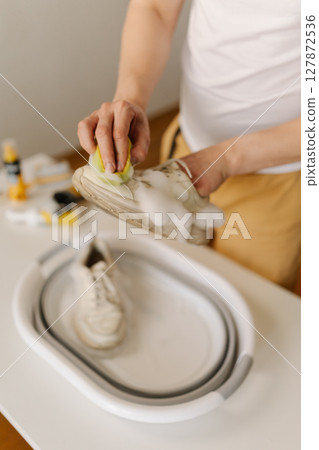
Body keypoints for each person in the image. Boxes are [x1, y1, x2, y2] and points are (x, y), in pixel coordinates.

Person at [77, 0, 301, 290]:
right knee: (172, 279)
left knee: (249, 302)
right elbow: (155, 8)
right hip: (187, 150)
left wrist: (229, 158)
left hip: (278, 179)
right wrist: (132, 97)